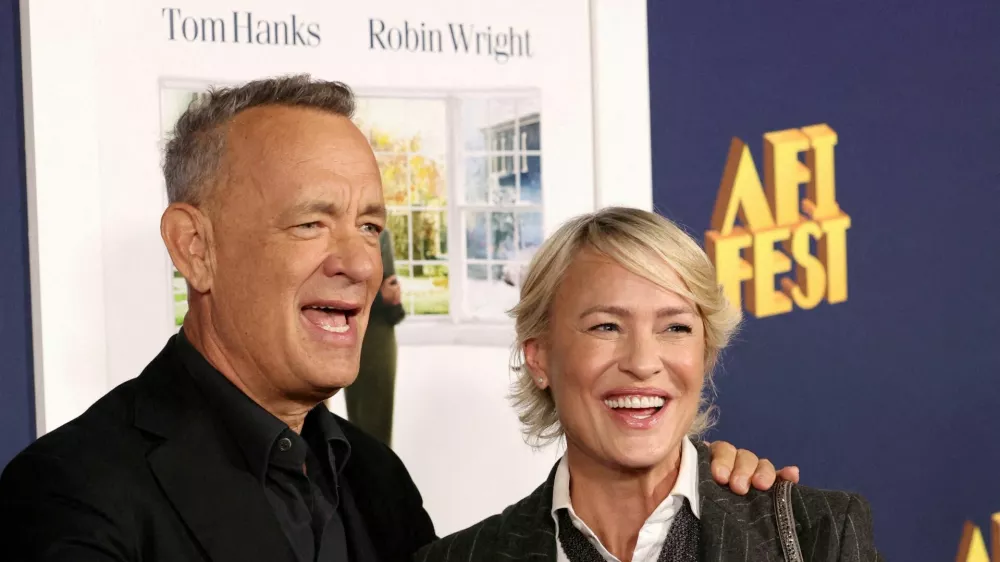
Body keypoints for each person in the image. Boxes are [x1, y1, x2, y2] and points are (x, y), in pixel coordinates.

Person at [0, 76, 795, 561]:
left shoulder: (377, 484)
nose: (359, 261)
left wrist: (704, 494)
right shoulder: (73, 490)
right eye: (313, 222)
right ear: (194, 248)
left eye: (371, 227)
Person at [417, 207, 883, 562]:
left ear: (706, 355)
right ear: (539, 358)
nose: (642, 362)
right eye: (606, 327)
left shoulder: (818, 535)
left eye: (675, 328)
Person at [345, 229, 406, 446]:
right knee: (360, 420)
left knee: (373, 425)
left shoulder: (380, 235)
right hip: (354, 332)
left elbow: (389, 290)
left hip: (374, 332)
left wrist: (389, 300)